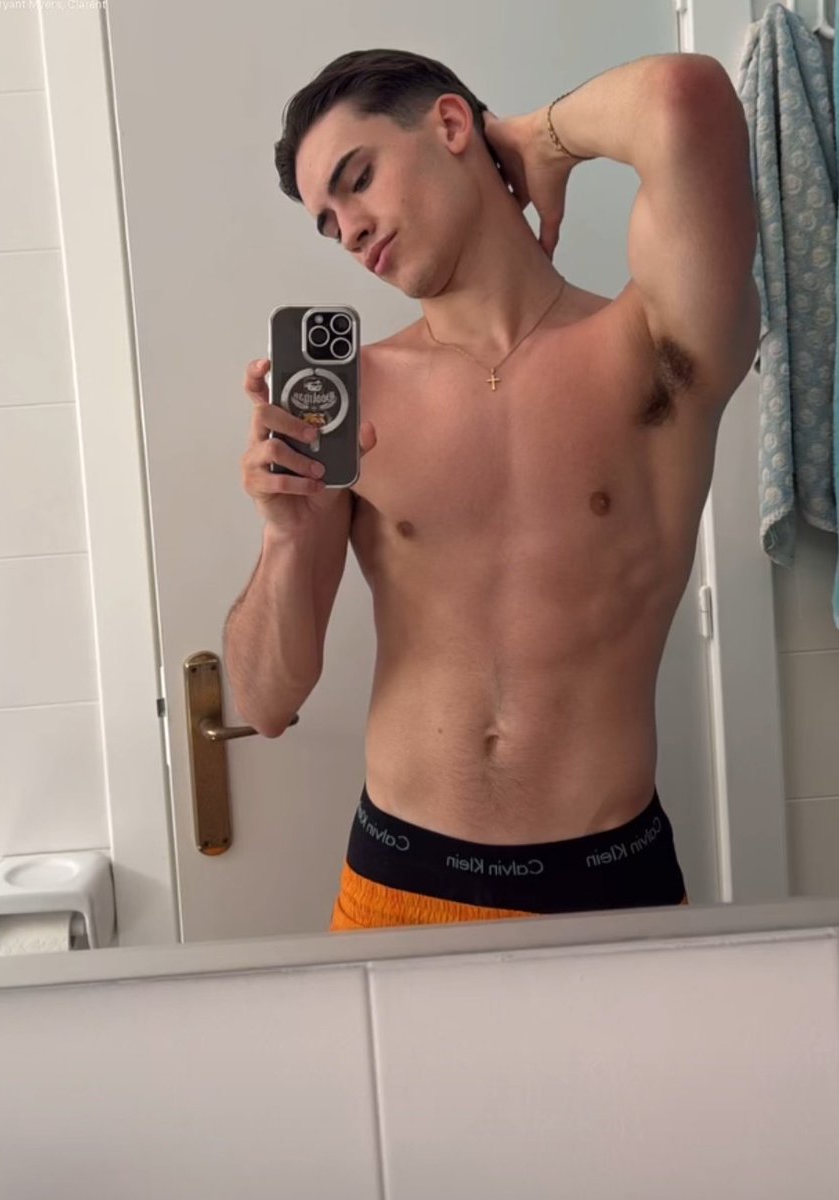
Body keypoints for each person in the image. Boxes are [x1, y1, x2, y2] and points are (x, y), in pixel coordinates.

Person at [223, 49, 761, 931]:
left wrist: (538, 138)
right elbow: (265, 702)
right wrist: (283, 536)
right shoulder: (352, 397)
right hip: (395, 892)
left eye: (357, 180)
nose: (349, 231)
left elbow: (682, 98)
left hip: (610, 896)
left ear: (449, 125)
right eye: (327, 222)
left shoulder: (653, 345)